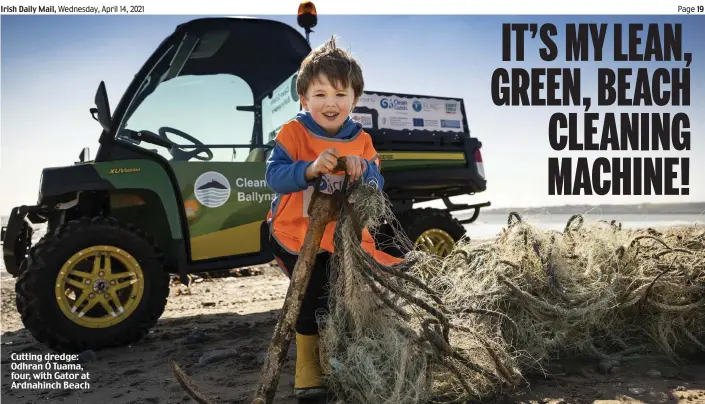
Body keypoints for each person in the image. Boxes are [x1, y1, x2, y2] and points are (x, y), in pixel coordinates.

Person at [265, 36, 402, 399]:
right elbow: (274, 176)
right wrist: (308, 169)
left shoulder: (361, 140)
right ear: (304, 98)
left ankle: (337, 357)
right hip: (294, 235)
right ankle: (307, 366)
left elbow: (377, 181)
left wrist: (363, 171)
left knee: (340, 298)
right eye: (321, 94)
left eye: (341, 95)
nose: (330, 103)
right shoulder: (292, 133)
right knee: (310, 296)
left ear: (354, 100)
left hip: (341, 239)